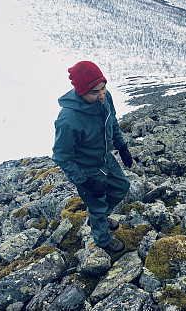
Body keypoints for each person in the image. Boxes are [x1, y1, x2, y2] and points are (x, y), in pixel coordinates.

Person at [52, 61, 133, 253]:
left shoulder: (105, 98)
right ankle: (103, 240)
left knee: (122, 186)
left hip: (105, 159)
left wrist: (121, 146)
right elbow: (61, 156)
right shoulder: (68, 120)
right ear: (81, 92)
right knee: (96, 203)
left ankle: (101, 216)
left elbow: (111, 121)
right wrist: (85, 181)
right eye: (94, 92)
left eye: (103, 87)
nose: (101, 94)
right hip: (86, 169)